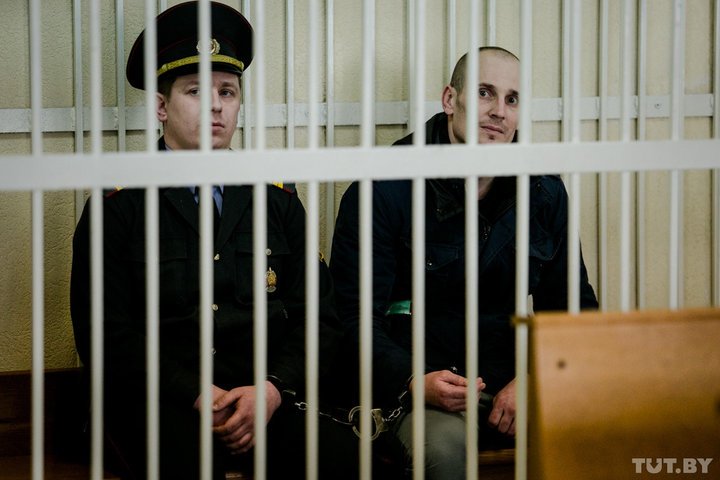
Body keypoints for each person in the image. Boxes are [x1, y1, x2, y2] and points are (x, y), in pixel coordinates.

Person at [70, 2, 354, 478]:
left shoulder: (276, 199)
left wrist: (272, 389)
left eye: (227, 91)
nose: (217, 105)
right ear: (161, 107)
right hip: (161, 401)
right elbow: (106, 334)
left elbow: (319, 316)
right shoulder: (118, 206)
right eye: (196, 91)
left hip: (263, 397)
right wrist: (197, 393)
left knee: (347, 463)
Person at [329, 46, 599, 479]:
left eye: (512, 99)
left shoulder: (543, 191)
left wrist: (536, 379)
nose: (499, 111)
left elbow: (574, 311)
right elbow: (352, 318)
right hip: (417, 390)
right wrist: (413, 380)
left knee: (610, 429)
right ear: (449, 99)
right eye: (484, 93)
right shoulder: (385, 186)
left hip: (511, 385)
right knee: (443, 451)